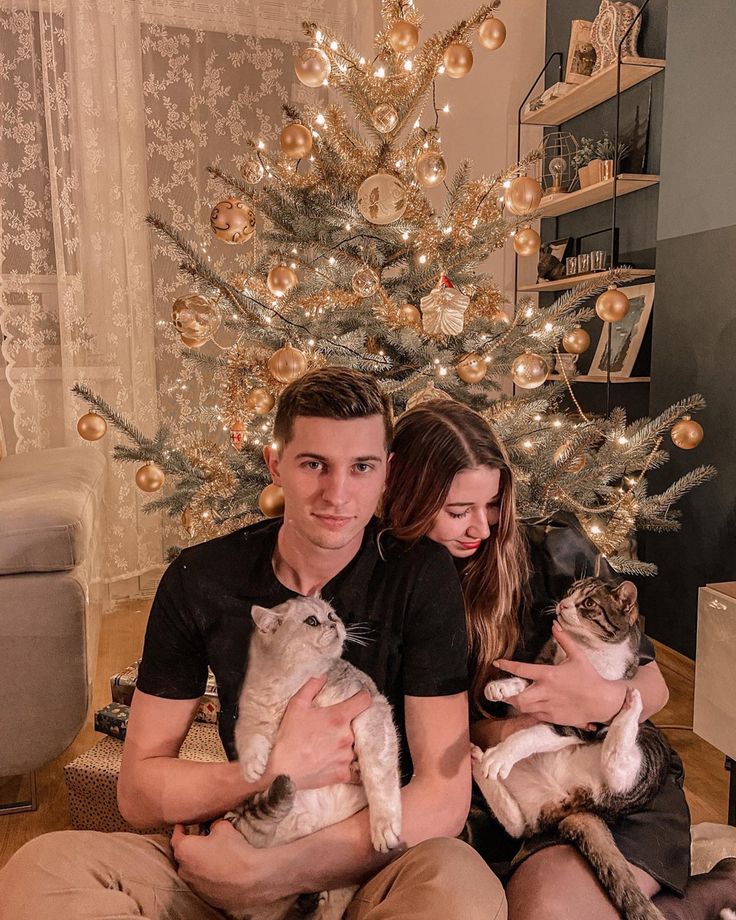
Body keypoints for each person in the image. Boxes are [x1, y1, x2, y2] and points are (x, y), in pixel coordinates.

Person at [0, 367, 506, 920]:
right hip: (246, 838)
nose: (338, 494)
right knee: (40, 873)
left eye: (361, 467)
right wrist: (270, 772)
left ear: (387, 471)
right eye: (314, 464)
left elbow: (443, 795)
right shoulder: (201, 578)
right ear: (276, 464)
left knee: (462, 890)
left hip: (367, 866)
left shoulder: (419, 575)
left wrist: (270, 876)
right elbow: (139, 790)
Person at [381, 398, 696, 919]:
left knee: (550, 909)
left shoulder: (558, 550)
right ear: (403, 495)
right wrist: (505, 733)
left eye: (494, 505)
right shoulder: (388, 581)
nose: (481, 528)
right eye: (458, 512)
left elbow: (655, 687)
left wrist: (597, 700)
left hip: (609, 782)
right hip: (497, 792)